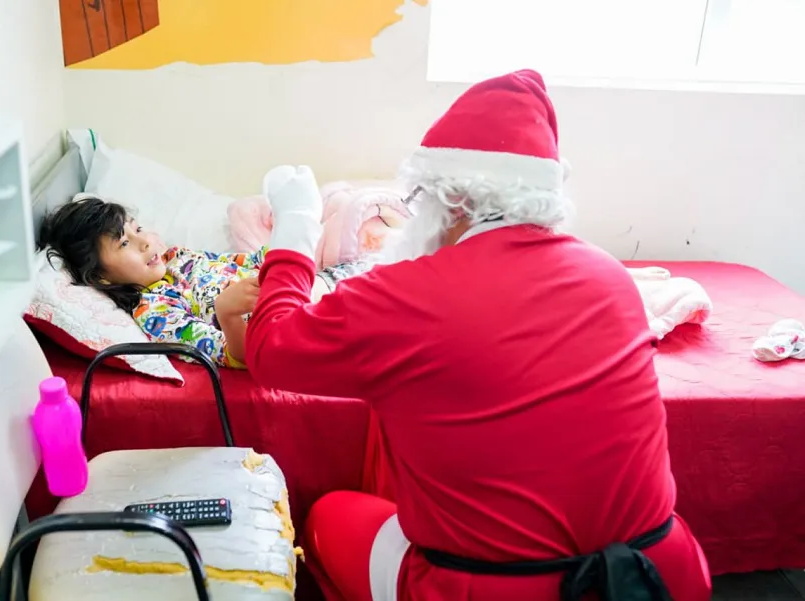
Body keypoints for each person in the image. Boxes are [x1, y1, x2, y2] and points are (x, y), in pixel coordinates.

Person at [246, 70, 712, 601]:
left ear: (453, 200)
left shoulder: (406, 294)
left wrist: (297, 226)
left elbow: (270, 347)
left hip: (494, 590)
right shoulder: (611, 275)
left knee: (330, 514)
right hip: (658, 576)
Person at [38, 196, 369, 368]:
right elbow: (243, 355)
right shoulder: (155, 312)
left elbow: (248, 262)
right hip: (304, 321)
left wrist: (287, 247)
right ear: (100, 276)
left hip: (315, 284)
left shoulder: (177, 257)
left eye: (137, 229)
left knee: (381, 260)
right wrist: (227, 312)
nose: (144, 242)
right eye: (124, 243)